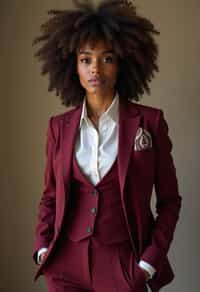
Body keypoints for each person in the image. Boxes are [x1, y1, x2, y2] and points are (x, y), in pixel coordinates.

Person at [32, 1, 182, 292]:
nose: (95, 69)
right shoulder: (58, 127)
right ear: (72, 65)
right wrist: (42, 246)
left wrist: (148, 264)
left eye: (107, 58)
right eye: (85, 59)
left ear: (123, 63)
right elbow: (50, 196)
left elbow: (169, 201)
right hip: (65, 267)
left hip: (124, 265)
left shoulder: (150, 122)